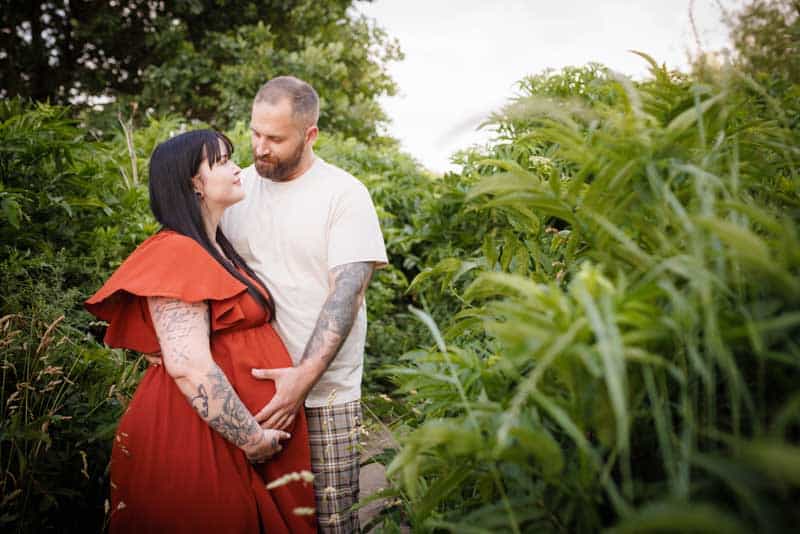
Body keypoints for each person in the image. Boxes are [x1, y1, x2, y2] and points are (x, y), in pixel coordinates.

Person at [85, 130, 316, 533]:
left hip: (235, 437)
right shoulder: (176, 251)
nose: (236, 167)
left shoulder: (217, 247)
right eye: (223, 161)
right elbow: (188, 364)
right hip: (199, 437)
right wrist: (250, 438)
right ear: (195, 182)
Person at [221, 76, 388, 532]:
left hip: (325, 393)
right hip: (250, 391)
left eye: (275, 138)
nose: (259, 148)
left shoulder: (344, 194)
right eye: (254, 133)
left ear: (310, 133)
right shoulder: (235, 190)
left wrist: (300, 381)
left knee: (333, 522)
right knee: (260, 520)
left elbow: (347, 291)